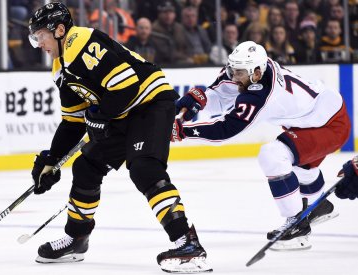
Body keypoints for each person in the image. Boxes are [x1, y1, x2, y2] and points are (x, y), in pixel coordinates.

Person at [27, 2, 212, 273]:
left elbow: (126, 85)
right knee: (85, 166)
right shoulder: (61, 67)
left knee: (144, 168)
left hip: (150, 103)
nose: (38, 42)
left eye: (40, 35)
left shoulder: (81, 41)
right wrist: (51, 159)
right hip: (123, 113)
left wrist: (100, 115)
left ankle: (189, 244)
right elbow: (73, 121)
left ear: (60, 30)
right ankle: (77, 238)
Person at [172, 41, 350, 251]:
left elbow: (226, 129)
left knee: (273, 156)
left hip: (330, 125)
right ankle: (318, 205)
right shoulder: (250, 71)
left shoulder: (262, 94)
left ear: (256, 73)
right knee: (298, 168)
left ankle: (297, 224)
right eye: (232, 70)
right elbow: (221, 95)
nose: (233, 76)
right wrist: (200, 100)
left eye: (239, 73)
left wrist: (185, 131)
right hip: (314, 118)